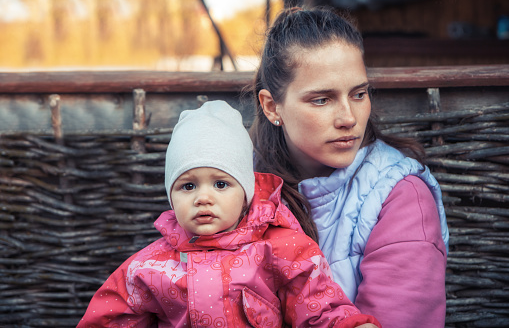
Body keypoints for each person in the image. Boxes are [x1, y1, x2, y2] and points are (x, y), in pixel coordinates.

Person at [78, 100, 381, 327]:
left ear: (246, 193)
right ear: (170, 196)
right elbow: (112, 316)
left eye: (221, 184)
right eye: (187, 186)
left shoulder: (280, 249)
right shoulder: (149, 267)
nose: (203, 198)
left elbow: (317, 305)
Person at [248, 7, 450, 328]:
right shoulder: (233, 185)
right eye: (322, 99)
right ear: (272, 107)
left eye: (359, 94)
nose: (349, 119)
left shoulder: (401, 198)